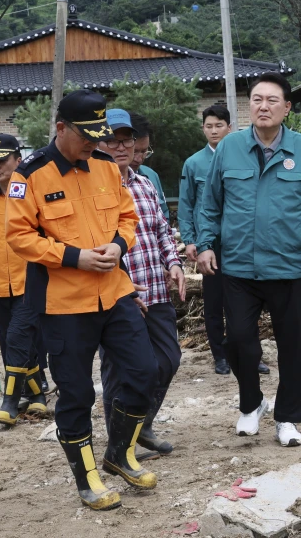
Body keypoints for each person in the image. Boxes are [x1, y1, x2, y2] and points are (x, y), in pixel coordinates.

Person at [6, 90, 159, 511]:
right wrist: (74, 257)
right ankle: (86, 476)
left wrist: (118, 246)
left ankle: (119, 453)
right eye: (86, 135)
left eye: (99, 135)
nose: (95, 143)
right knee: (76, 394)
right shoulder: (30, 175)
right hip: (62, 303)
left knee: (145, 371)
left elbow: (127, 217)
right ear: (60, 128)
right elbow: (19, 237)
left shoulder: (107, 166)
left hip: (115, 292)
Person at [197, 72, 301, 447]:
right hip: (239, 266)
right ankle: (252, 403)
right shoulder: (229, 148)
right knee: (239, 340)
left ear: (287, 107)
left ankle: (288, 419)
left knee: (293, 345)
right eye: (257, 99)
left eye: (271, 100)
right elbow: (210, 202)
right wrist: (205, 243)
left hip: (287, 266)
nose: (263, 106)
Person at [97, 109, 186, 456]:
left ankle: (142, 423)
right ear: (99, 143)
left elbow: (161, 230)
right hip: (118, 294)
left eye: (127, 139)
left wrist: (174, 263)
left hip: (156, 287)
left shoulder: (144, 182)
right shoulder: (93, 189)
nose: (121, 147)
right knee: (118, 371)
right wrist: (120, 287)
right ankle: (120, 443)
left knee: (168, 359)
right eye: (112, 140)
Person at [178, 104, 267, 376]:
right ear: (203, 128)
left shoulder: (246, 156)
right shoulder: (194, 163)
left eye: (219, 125)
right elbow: (186, 204)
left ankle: (250, 354)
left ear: (230, 127)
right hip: (211, 243)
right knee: (215, 301)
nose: (214, 130)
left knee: (249, 301)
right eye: (209, 125)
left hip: (241, 240)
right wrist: (191, 240)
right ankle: (220, 355)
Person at [0, 133, 49, 426]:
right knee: (11, 341)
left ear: (17, 159)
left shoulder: (31, 193)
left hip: (31, 281)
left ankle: (10, 403)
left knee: (17, 337)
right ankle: (38, 395)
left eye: (2, 161)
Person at [129, 112, 169, 219]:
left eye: (144, 151)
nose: (138, 159)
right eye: (134, 151)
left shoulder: (151, 176)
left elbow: (164, 214)